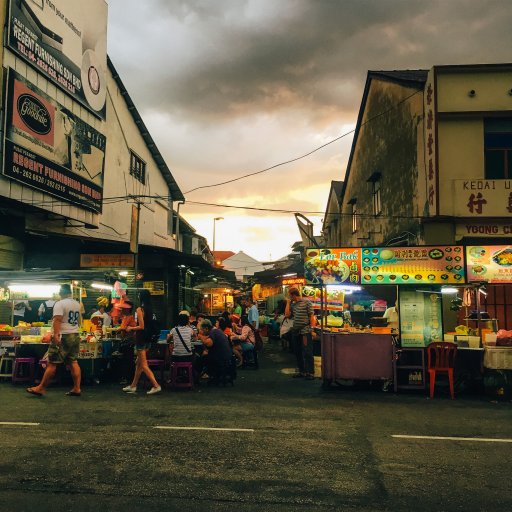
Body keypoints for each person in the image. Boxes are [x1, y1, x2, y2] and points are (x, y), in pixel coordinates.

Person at [27, 284, 82, 397]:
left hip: (63, 335)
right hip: (75, 334)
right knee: (73, 361)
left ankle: (41, 388)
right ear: (70, 292)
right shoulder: (77, 303)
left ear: (60, 292)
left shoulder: (60, 303)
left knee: (52, 363)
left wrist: (56, 335)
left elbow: (57, 320)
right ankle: (77, 388)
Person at [122, 290, 161, 395]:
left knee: (143, 365)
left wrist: (131, 328)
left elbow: (141, 326)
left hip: (141, 339)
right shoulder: (151, 310)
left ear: (141, 297)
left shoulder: (140, 309)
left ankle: (156, 385)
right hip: (148, 339)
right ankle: (133, 386)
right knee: (138, 364)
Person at [285, 286, 316, 380]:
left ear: (293, 295)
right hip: (296, 331)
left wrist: (312, 329)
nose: (289, 298)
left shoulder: (306, 302)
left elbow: (312, 316)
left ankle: (310, 373)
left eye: (289, 296)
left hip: (305, 331)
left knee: (307, 352)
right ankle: (302, 371)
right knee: (297, 352)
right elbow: (287, 315)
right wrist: (288, 303)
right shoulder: (293, 304)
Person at [197, 319, 233, 385]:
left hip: (220, 358)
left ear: (206, 328)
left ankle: (196, 378)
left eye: (202, 330)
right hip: (227, 357)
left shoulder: (213, 332)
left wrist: (200, 337)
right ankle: (213, 376)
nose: (201, 332)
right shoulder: (216, 331)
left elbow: (209, 344)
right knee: (205, 357)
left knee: (200, 360)